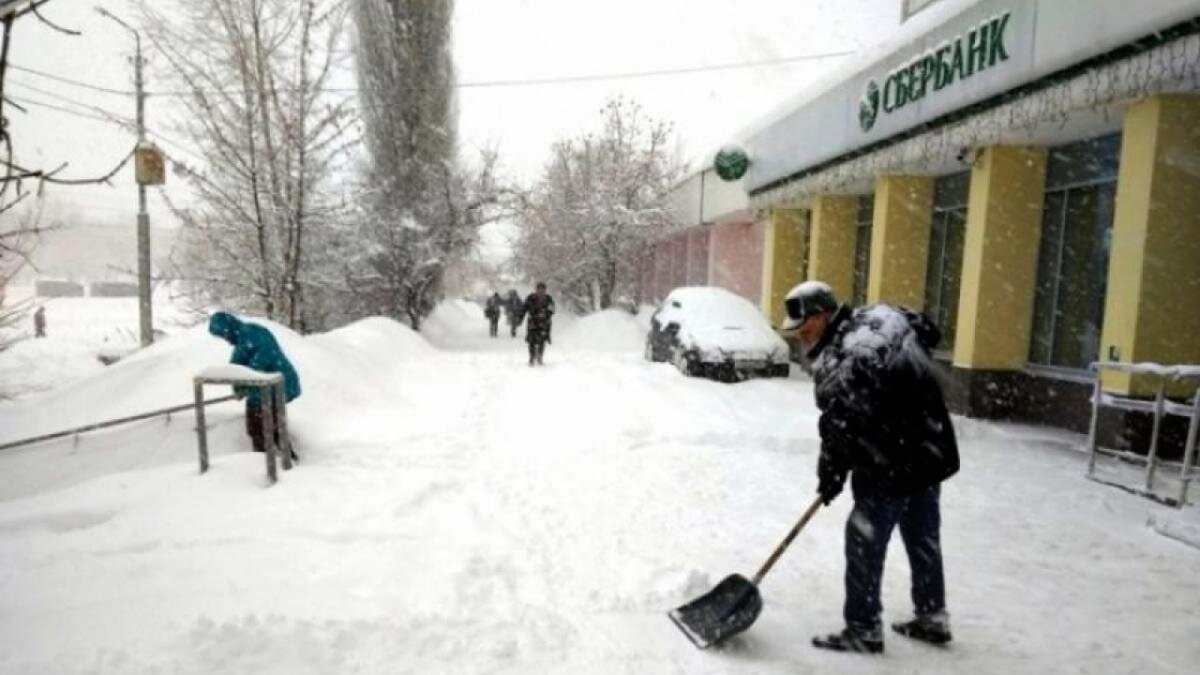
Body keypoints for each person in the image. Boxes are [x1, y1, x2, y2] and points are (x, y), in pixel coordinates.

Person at [781, 280, 959, 655]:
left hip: (888, 462)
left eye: (806, 325)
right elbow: (928, 329)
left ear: (823, 314)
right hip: (927, 450)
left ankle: (863, 628)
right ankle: (932, 616)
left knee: (864, 541)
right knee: (922, 535)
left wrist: (829, 477)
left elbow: (839, 427)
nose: (801, 335)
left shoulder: (842, 358)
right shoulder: (881, 318)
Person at [208, 312, 301, 461]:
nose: (225, 339)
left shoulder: (251, 332)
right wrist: (238, 386)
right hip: (268, 385)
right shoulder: (243, 338)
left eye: (223, 334)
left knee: (259, 425)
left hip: (275, 384)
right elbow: (237, 364)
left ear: (228, 328)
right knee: (269, 425)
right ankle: (280, 459)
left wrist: (246, 382)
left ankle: (266, 462)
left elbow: (262, 358)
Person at [522, 282, 555, 365]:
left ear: (545, 290)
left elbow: (552, 309)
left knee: (542, 340)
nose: (540, 291)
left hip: (544, 322)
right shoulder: (530, 297)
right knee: (531, 340)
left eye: (542, 289)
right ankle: (532, 357)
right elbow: (524, 308)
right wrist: (520, 317)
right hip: (533, 322)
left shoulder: (548, 298)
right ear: (536, 289)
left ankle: (540, 356)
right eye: (539, 289)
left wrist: (546, 313)